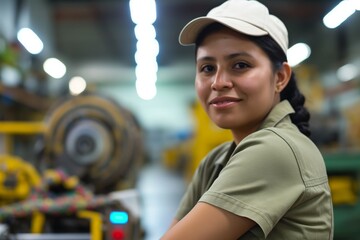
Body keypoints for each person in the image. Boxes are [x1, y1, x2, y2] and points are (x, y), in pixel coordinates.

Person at [161, 0, 334, 239]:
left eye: (240, 65)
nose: (218, 82)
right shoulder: (215, 161)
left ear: (280, 77)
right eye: (207, 68)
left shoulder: (275, 149)